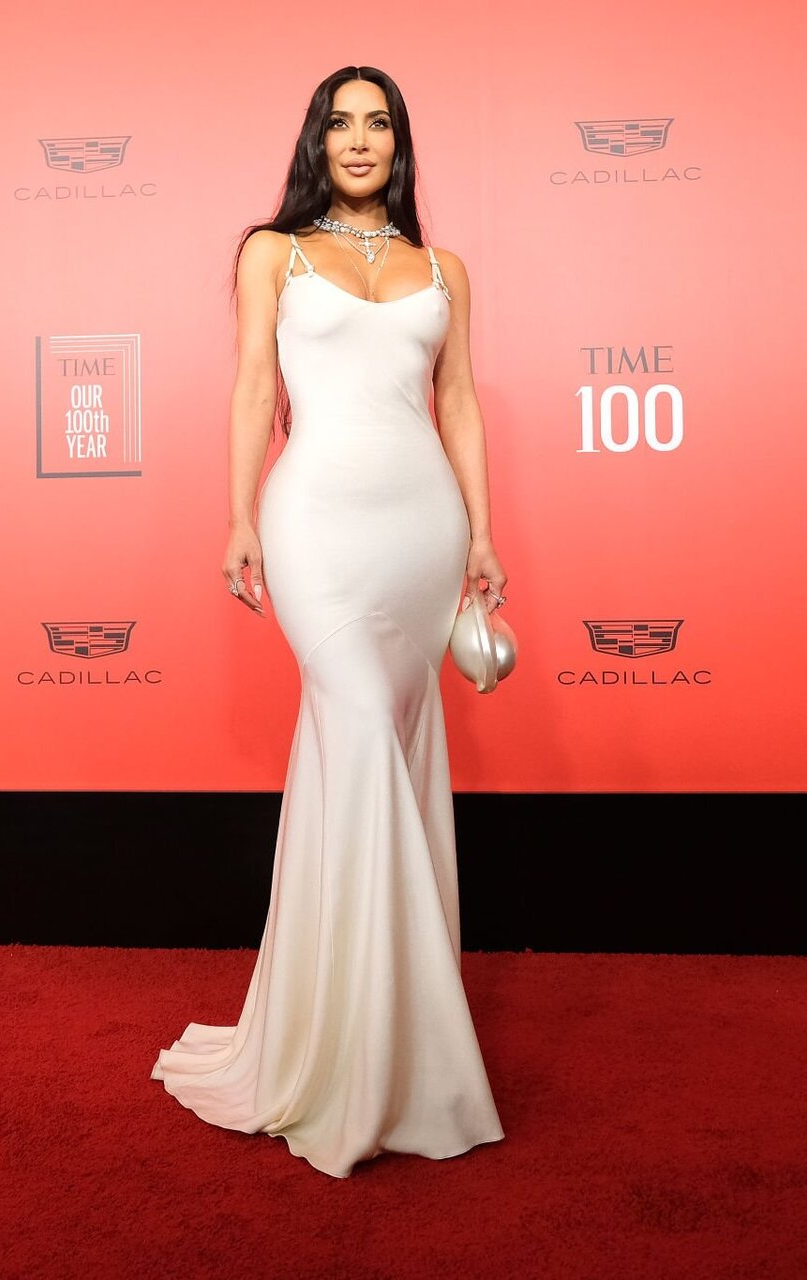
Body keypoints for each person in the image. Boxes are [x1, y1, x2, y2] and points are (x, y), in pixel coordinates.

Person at [147, 66, 510, 1179]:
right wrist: (238, 516)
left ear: (400, 144)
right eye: (341, 123)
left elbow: (458, 401)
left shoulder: (443, 270)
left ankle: (396, 1044)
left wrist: (482, 534)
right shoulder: (274, 252)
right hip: (315, 522)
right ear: (318, 141)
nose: (359, 139)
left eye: (378, 123)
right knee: (355, 730)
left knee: (390, 753)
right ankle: (352, 1051)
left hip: (421, 530)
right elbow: (255, 388)